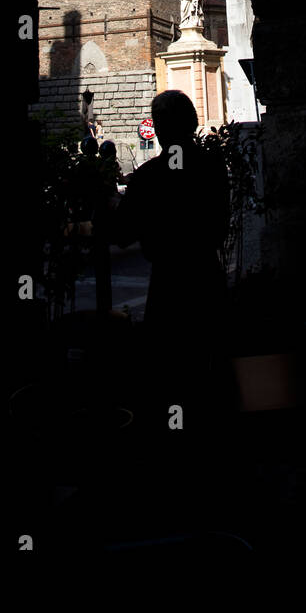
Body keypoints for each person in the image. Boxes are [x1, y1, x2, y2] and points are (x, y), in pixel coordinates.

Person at [106, 90, 230, 408]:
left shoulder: (148, 178)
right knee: (213, 374)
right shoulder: (214, 167)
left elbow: (121, 233)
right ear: (192, 123)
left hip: (169, 288)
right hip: (208, 279)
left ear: (159, 128)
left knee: (170, 377)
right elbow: (220, 225)